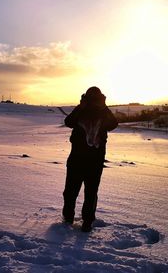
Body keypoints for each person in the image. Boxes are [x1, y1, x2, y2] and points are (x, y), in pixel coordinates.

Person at [62, 86, 118, 232]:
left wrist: (104, 107)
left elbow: (113, 124)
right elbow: (68, 122)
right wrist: (81, 107)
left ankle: (87, 222)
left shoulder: (103, 112)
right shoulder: (81, 110)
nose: (93, 101)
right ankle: (67, 218)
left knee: (91, 193)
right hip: (77, 158)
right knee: (70, 192)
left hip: (95, 160)